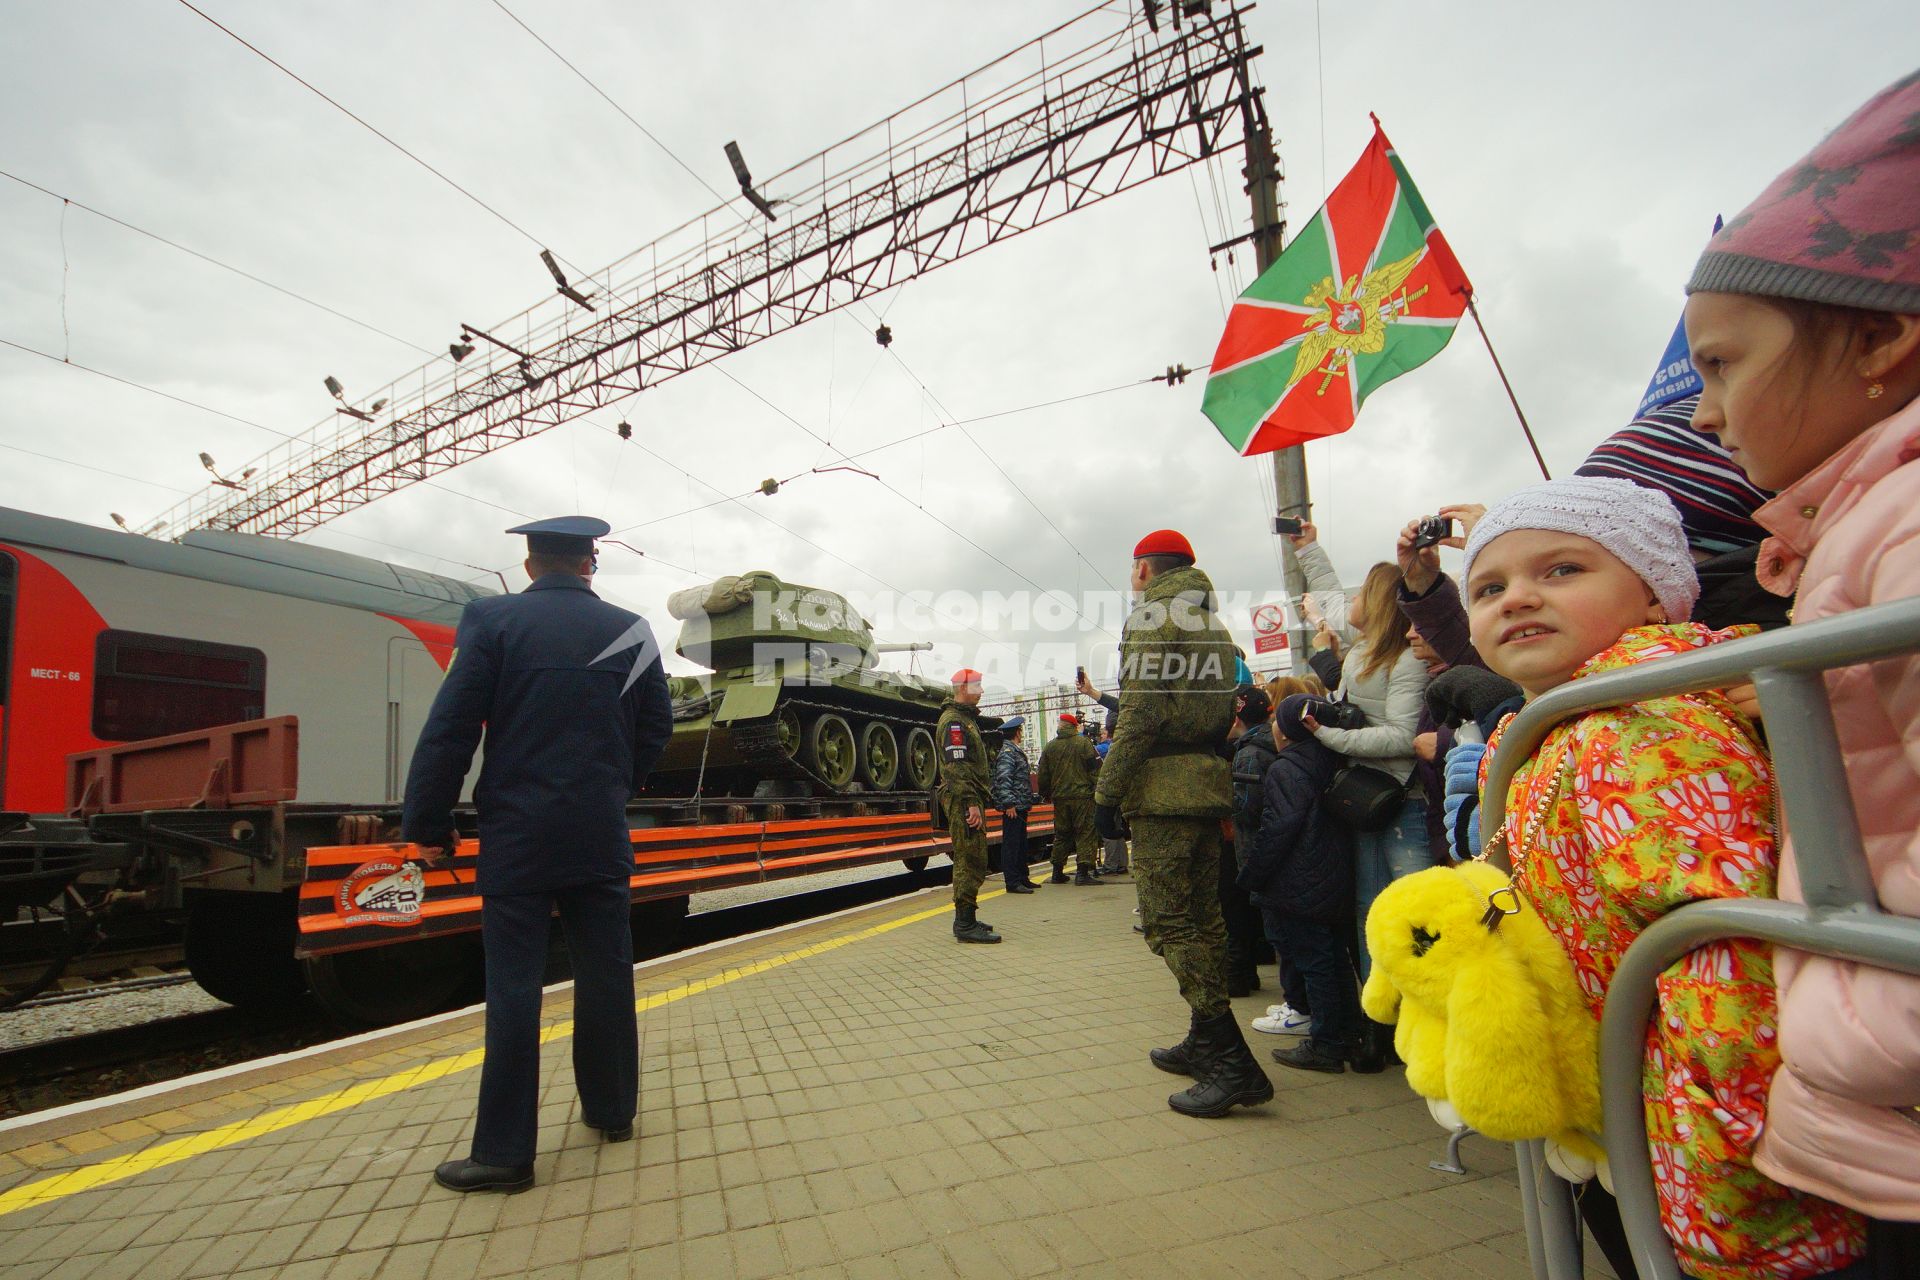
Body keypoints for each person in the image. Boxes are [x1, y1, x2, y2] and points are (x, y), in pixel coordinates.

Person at [1463, 477, 1865, 1280]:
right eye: (1487, 587)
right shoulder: (1543, 729)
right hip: (1629, 1113)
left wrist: (1721, 1184)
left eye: (1563, 569)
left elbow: (1725, 960)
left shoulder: (1641, 723)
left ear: (1654, 597)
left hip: (1710, 1156)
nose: (1517, 598)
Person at [1685, 70, 1920, 1274]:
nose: (1706, 412)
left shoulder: (1904, 520)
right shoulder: (1849, 530)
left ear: (1879, 336)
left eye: (1722, 366)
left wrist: (1866, 1027)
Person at [403, 516, 673, 1194]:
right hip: (598, 831)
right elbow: (657, 726)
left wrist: (428, 823)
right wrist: (613, 786)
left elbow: (451, 729)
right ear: (591, 564)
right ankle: (613, 1112)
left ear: (529, 566)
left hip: (519, 833)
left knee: (515, 988)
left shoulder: (491, 621)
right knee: (608, 972)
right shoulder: (632, 628)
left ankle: (503, 1154)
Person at [1095, 529, 1271, 1117]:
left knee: (1169, 923)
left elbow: (1140, 711)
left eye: (1132, 569)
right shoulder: (1214, 627)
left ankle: (1230, 1063)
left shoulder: (1152, 617)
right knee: (1205, 919)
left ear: (1145, 569)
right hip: (1203, 783)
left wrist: (1107, 788)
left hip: (1162, 792)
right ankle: (1203, 1038)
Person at [1291, 523, 1432, 1072]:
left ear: (1375, 602)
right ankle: (1380, 1027)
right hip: (1367, 801)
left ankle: (1420, 1026)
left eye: (1358, 594)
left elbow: (1401, 737)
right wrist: (1307, 548)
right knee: (1368, 917)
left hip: (1402, 802)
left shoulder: (1405, 660)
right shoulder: (1364, 652)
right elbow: (1326, 592)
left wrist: (1330, 736)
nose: (1346, 601)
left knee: (1412, 919)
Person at [1241, 695, 1361, 1073]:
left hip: (1298, 879)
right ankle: (1348, 1033)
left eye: (1280, 720)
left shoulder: (1287, 767)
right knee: (1333, 959)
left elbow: (1278, 828)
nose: (1273, 727)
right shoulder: (1328, 757)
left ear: (1291, 729)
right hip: (1330, 875)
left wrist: (1253, 875)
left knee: (1314, 962)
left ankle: (1325, 1044)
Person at [936, 669, 1000, 943]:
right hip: (963, 798)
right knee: (968, 857)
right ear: (963, 687)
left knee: (975, 855)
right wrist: (970, 802)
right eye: (978, 686)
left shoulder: (964, 719)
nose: (982, 691)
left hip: (967, 796)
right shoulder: (954, 722)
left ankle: (969, 916)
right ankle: (964, 924)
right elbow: (956, 767)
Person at [1222, 687, 1274, 997]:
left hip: (1245, 843)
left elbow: (1244, 807)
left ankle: (1238, 973)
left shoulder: (1249, 753)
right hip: (1261, 844)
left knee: (1233, 904)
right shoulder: (1268, 742)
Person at [1037, 711, 1102, 884]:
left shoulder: (1050, 747)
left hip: (1060, 798)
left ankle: (1057, 872)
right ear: (1074, 727)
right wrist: (1098, 790)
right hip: (1083, 797)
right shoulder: (1084, 743)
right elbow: (1095, 769)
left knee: (1062, 834)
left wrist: (1046, 794)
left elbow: (1042, 774)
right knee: (1085, 832)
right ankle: (1082, 873)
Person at [990, 715, 1039, 893]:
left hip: (1020, 805)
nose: (1022, 733)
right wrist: (1008, 803)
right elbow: (1003, 780)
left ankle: (1023, 878)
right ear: (1017, 732)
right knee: (1012, 845)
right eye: (1021, 730)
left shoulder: (1013, 751)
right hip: (1014, 807)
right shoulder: (1008, 753)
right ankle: (1012, 882)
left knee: (1021, 844)